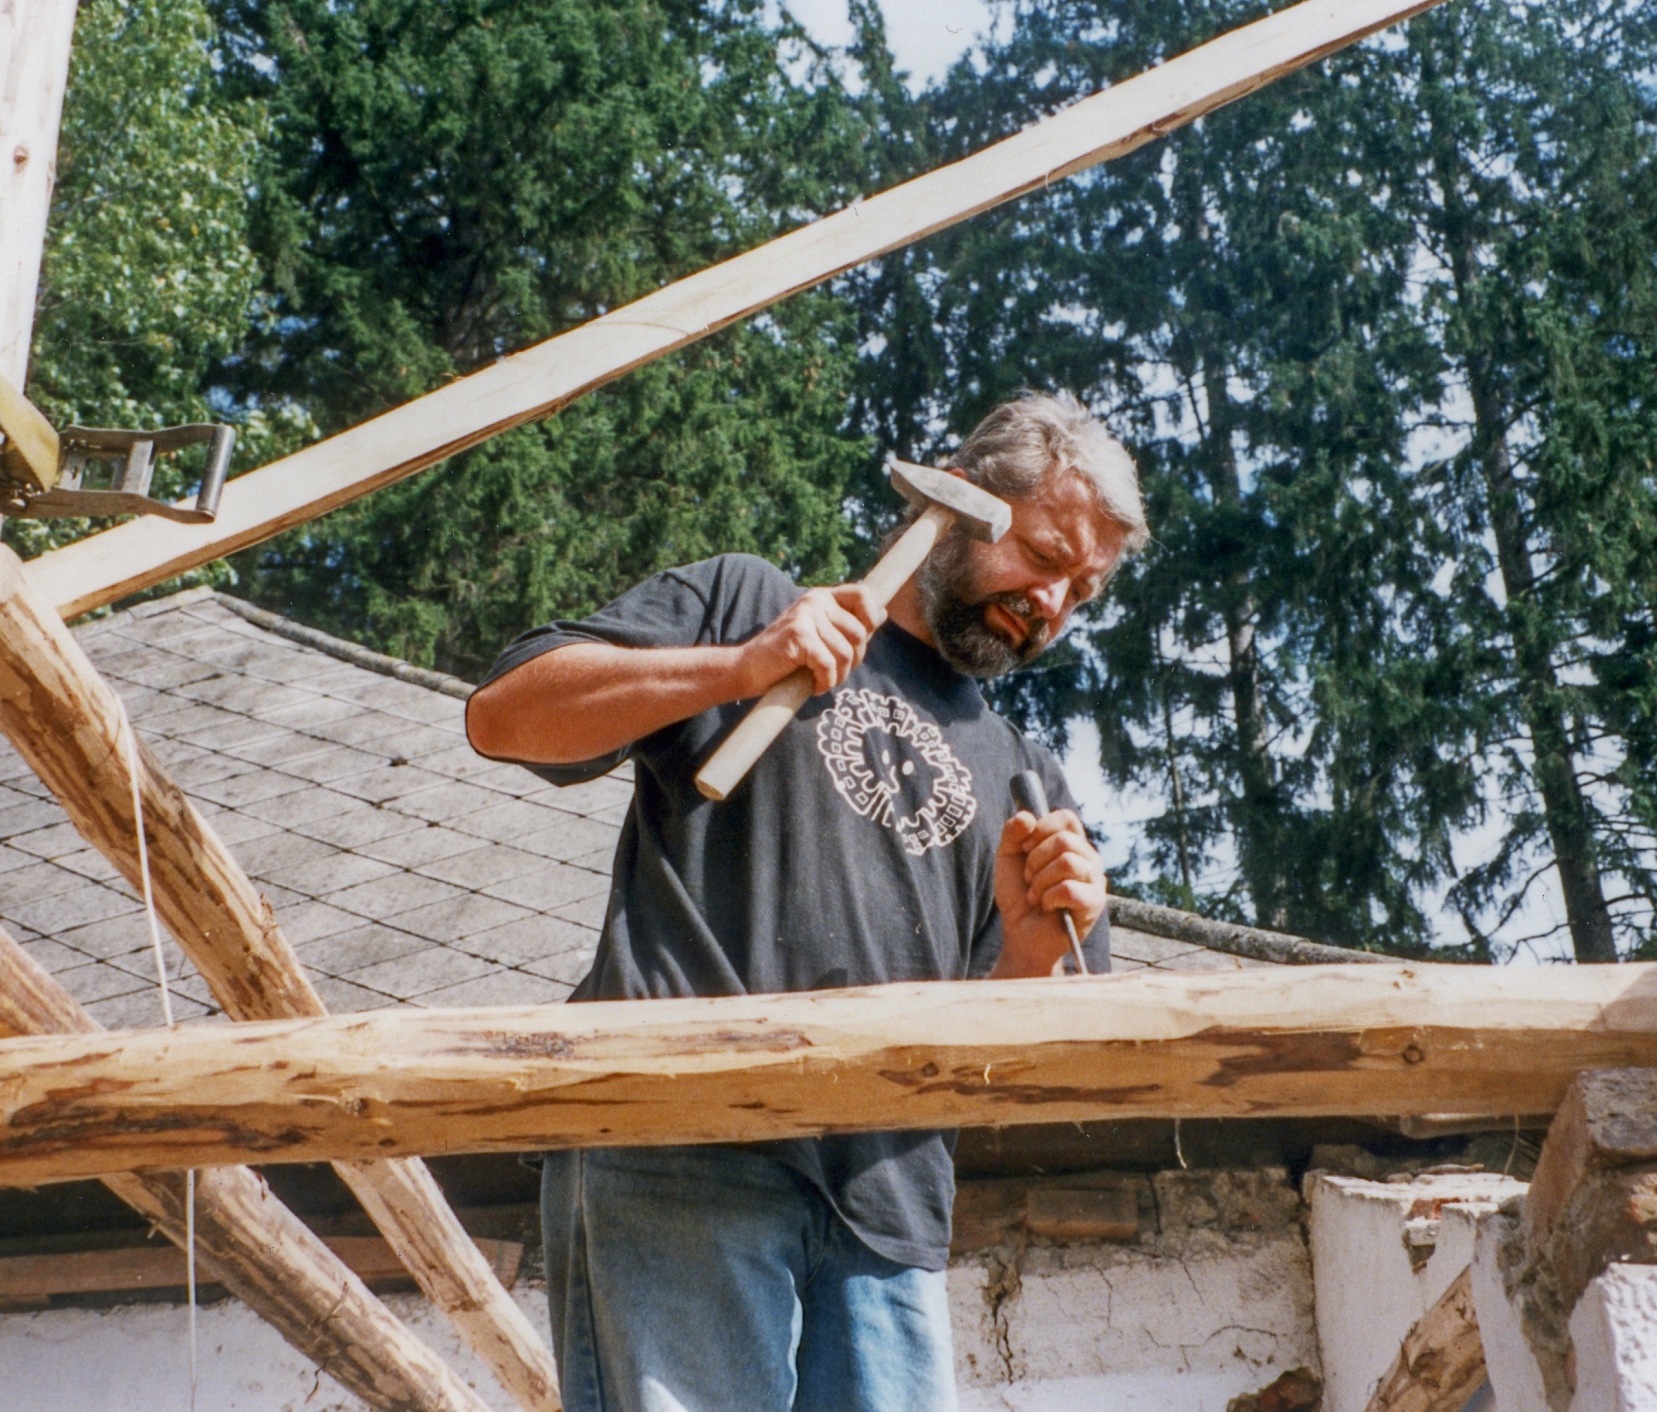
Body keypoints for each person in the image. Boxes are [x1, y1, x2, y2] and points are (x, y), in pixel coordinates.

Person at [465, 391, 1148, 1412]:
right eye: (1044, 555)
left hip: (887, 1214)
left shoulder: (1024, 776)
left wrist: (1036, 948)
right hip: (681, 1146)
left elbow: (1027, 1072)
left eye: (1081, 591)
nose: (1051, 601)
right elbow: (504, 716)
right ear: (959, 502)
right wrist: (738, 667)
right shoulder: (751, 605)